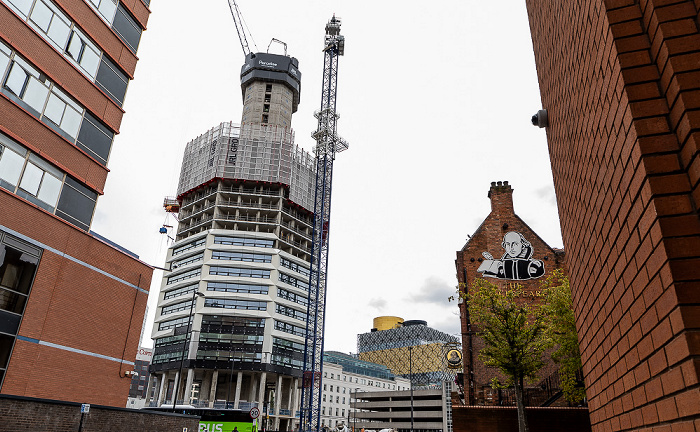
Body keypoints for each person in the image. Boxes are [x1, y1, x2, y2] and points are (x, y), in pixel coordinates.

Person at [477, 231, 545, 280]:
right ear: (504, 246)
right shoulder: (502, 263)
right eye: (508, 244)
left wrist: (536, 267)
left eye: (515, 244)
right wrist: (491, 262)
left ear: (523, 245)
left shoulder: (531, 264)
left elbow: (537, 271)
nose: (511, 248)